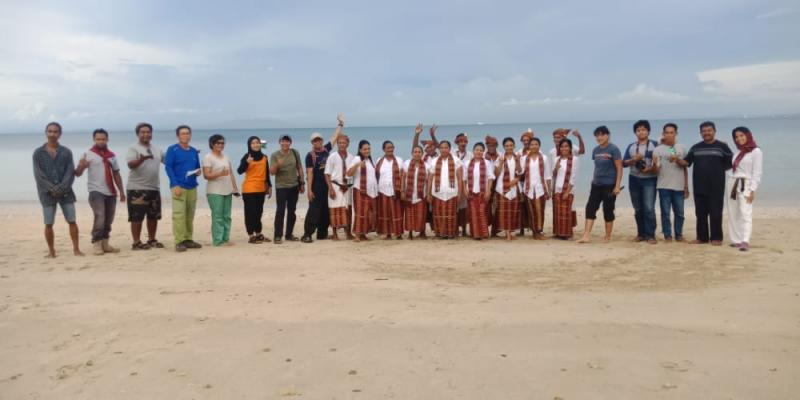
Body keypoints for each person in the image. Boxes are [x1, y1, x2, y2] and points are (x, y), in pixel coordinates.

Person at [677, 121, 733, 245]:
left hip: (716, 186)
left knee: (716, 212)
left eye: (709, 130)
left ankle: (716, 238)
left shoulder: (722, 146)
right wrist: (672, 153)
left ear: (714, 131)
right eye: (704, 131)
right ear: (701, 133)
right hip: (699, 185)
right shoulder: (696, 147)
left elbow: (731, 163)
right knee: (700, 213)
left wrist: (716, 170)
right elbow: (686, 162)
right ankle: (702, 238)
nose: (706, 133)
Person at [33, 122, 83, 258]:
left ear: (60, 134)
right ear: (46, 132)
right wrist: (52, 188)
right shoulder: (38, 153)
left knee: (72, 220)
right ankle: (51, 251)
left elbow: (70, 172)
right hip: (46, 193)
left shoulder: (66, 152)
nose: (52, 134)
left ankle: (76, 249)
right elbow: (39, 175)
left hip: (66, 192)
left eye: (55, 131)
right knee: (48, 223)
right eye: (50, 131)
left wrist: (61, 188)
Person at [74, 128, 126, 256]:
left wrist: (122, 191)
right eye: (98, 139)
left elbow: (116, 174)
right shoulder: (88, 154)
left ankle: (105, 243)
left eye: (103, 139)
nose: (101, 141)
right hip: (95, 190)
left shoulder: (111, 156)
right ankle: (96, 243)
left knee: (109, 218)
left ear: (107, 139)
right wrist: (81, 166)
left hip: (110, 191)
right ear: (94, 140)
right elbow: (78, 174)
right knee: (100, 216)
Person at [301, 115, 343, 243]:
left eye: (319, 140)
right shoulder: (310, 156)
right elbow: (309, 173)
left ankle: (322, 233)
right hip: (316, 186)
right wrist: (309, 190)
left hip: (327, 185)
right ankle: (307, 234)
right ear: (312, 143)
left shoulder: (326, 150)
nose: (317, 142)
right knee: (314, 210)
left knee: (325, 210)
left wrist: (340, 125)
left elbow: (335, 138)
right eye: (315, 141)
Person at [577, 126, 622, 243]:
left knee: (608, 210)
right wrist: (593, 180)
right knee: (590, 208)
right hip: (596, 184)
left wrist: (617, 186)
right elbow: (597, 167)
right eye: (597, 135)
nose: (599, 137)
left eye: (602, 135)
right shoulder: (595, 150)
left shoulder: (614, 149)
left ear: (608, 135)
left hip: (609, 185)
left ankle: (608, 236)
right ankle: (586, 236)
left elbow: (619, 168)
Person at [126, 122, 165, 250]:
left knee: (153, 216)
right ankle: (136, 242)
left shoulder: (157, 149)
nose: (146, 134)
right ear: (138, 134)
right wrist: (141, 159)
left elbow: (169, 162)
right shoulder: (133, 148)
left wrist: (188, 155)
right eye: (142, 132)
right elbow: (130, 164)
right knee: (137, 217)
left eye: (148, 132)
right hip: (137, 188)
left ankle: (152, 240)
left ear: (151, 133)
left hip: (154, 187)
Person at [164, 125, 202, 252]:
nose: (186, 136)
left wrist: (198, 172)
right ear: (178, 136)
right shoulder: (172, 149)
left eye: (187, 133)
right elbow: (168, 167)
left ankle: (188, 239)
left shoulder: (193, 151)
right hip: (178, 186)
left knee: (189, 215)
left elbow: (197, 166)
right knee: (179, 215)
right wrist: (175, 184)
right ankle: (179, 241)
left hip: (192, 186)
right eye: (183, 133)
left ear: (190, 135)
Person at [623, 120, 659, 244]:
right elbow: (623, 163)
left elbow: (670, 153)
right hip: (634, 179)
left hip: (650, 179)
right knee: (638, 208)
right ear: (635, 132)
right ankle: (641, 234)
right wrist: (633, 160)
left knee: (649, 208)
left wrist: (651, 168)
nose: (641, 132)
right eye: (638, 130)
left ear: (648, 131)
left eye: (643, 129)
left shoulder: (656, 144)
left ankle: (651, 235)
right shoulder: (631, 146)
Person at [727, 126, 763, 252]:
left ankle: (745, 240)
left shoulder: (756, 151)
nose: (739, 138)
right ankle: (736, 240)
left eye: (741, 135)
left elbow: (757, 172)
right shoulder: (737, 151)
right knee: (733, 212)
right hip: (732, 183)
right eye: (736, 137)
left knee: (745, 212)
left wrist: (752, 190)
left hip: (745, 184)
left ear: (748, 135)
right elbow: (733, 168)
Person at [652, 123, 689, 242]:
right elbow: (655, 170)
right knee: (665, 213)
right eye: (666, 133)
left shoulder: (682, 148)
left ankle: (679, 235)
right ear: (663, 134)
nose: (669, 135)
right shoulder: (657, 150)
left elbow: (685, 167)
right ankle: (667, 235)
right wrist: (655, 165)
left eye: (671, 132)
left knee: (679, 213)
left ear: (676, 134)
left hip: (679, 186)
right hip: (663, 186)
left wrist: (686, 186)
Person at [203, 134, 239, 246]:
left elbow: (231, 173)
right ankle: (218, 241)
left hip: (227, 190)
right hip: (214, 191)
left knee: (227, 216)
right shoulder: (208, 157)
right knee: (217, 216)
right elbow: (206, 175)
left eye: (222, 143)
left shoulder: (225, 156)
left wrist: (235, 187)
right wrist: (219, 173)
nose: (220, 145)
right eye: (218, 143)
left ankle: (225, 238)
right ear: (212, 144)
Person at [270, 135, 305, 243]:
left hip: (294, 185)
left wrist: (302, 183)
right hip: (281, 186)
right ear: (279, 142)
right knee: (280, 211)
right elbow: (272, 172)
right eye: (283, 141)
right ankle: (277, 236)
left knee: (292, 211)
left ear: (290, 143)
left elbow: (299, 167)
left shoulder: (295, 152)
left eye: (287, 141)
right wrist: (277, 165)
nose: (285, 143)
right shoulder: (275, 155)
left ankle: (289, 234)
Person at [237, 136, 272, 244]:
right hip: (249, 189)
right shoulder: (247, 156)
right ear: (249, 145)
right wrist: (247, 162)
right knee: (250, 213)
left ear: (260, 144)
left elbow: (267, 173)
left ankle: (258, 234)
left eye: (257, 142)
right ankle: (251, 235)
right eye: (253, 143)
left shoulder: (265, 157)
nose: (256, 145)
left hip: (261, 188)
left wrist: (269, 186)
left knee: (259, 212)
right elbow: (239, 171)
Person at [426, 141, 464, 239]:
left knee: (451, 215)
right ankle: (440, 233)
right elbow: (430, 178)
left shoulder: (456, 160)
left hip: (452, 193)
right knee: (438, 214)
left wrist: (460, 193)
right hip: (437, 193)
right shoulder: (434, 161)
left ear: (450, 149)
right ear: (439, 149)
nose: (444, 149)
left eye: (446, 147)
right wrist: (428, 193)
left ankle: (451, 234)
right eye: (442, 148)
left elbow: (460, 178)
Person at [520, 137, 552, 240]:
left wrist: (549, 190)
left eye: (536, 144)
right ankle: (535, 232)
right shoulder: (524, 158)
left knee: (540, 210)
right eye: (532, 144)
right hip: (528, 188)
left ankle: (539, 230)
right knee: (531, 210)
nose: (534, 146)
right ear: (529, 146)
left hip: (540, 188)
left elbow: (547, 175)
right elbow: (520, 172)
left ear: (539, 146)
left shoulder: (544, 158)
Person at [325, 134, 355, 241]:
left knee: (348, 210)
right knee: (334, 210)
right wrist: (331, 189)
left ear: (348, 144)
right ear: (337, 144)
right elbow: (327, 174)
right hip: (335, 186)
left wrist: (349, 185)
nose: (342, 144)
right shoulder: (332, 156)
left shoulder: (351, 157)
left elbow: (352, 173)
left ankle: (348, 233)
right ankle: (334, 234)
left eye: (344, 142)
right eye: (339, 143)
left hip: (347, 187)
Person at [347, 140, 378, 242]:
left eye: (368, 148)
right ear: (360, 150)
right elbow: (348, 173)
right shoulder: (357, 159)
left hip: (370, 191)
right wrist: (358, 165)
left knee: (368, 213)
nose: (367, 151)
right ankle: (357, 235)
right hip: (360, 190)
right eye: (364, 149)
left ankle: (364, 234)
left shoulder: (370, 160)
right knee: (360, 213)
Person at [493, 137, 522, 241]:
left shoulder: (518, 157)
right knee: (503, 212)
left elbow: (520, 172)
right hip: (501, 188)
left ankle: (510, 232)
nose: (509, 147)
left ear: (514, 146)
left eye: (511, 145)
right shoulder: (499, 157)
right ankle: (507, 234)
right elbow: (496, 174)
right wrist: (500, 163)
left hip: (514, 187)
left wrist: (516, 180)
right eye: (506, 146)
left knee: (513, 211)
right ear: (504, 147)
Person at [464, 142, 495, 240]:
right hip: (471, 192)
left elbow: (490, 178)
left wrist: (488, 191)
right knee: (473, 213)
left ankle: (484, 234)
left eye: (481, 150)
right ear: (473, 151)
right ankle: (475, 234)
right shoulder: (467, 163)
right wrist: (465, 190)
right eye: (477, 150)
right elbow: (464, 179)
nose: (478, 152)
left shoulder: (487, 162)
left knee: (482, 212)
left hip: (483, 192)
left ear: (483, 152)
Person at [375, 140, 404, 240]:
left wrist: (402, 189)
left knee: (397, 212)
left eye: (392, 147)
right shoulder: (379, 160)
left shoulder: (399, 160)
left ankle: (398, 233)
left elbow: (403, 176)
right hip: (382, 190)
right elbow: (376, 175)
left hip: (395, 190)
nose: (390, 149)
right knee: (385, 212)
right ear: (383, 149)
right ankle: (388, 233)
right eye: (388, 148)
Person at [552, 138, 579, 239]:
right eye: (562, 146)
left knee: (566, 213)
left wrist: (567, 191)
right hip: (557, 189)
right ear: (559, 148)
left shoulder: (574, 159)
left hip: (568, 189)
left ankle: (566, 234)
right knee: (558, 213)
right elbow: (553, 175)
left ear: (570, 148)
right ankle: (558, 233)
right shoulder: (556, 159)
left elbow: (574, 176)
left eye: (566, 146)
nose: (564, 148)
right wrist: (556, 168)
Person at [402, 145, 428, 240]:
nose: (417, 154)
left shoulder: (426, 165)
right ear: (412, 154)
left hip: (421, 194)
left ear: (422, 154)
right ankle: (410, 233)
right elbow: (403, 177)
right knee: (409, 214)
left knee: (421, 214)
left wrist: (428, 193)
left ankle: (422, 232)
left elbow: (428, 181)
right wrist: (402, 191)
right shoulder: (407, 163)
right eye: (415, 152)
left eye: (419, 152)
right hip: (409, 193)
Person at [516, 129, 535, 236]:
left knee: (531, 206)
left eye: (528, 140)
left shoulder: (537, 152)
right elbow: (517, 169)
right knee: (521, 206)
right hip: (521, 182)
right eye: (524, 140)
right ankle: (522, 229)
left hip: (532, 183)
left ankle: (533, 228)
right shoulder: (518, 152)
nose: (526, 142)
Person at [453, 132, 471, 237]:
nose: (463, 143)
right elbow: (439, 146)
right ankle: (455, 228)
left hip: (466, 183)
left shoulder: (470, 154)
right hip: (454, 183)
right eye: (460, 141)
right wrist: (433, 136)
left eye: (464, 141)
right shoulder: (452, 153)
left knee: (464, 208)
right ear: (457, 143)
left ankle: (464, 229)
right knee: (455, 206)